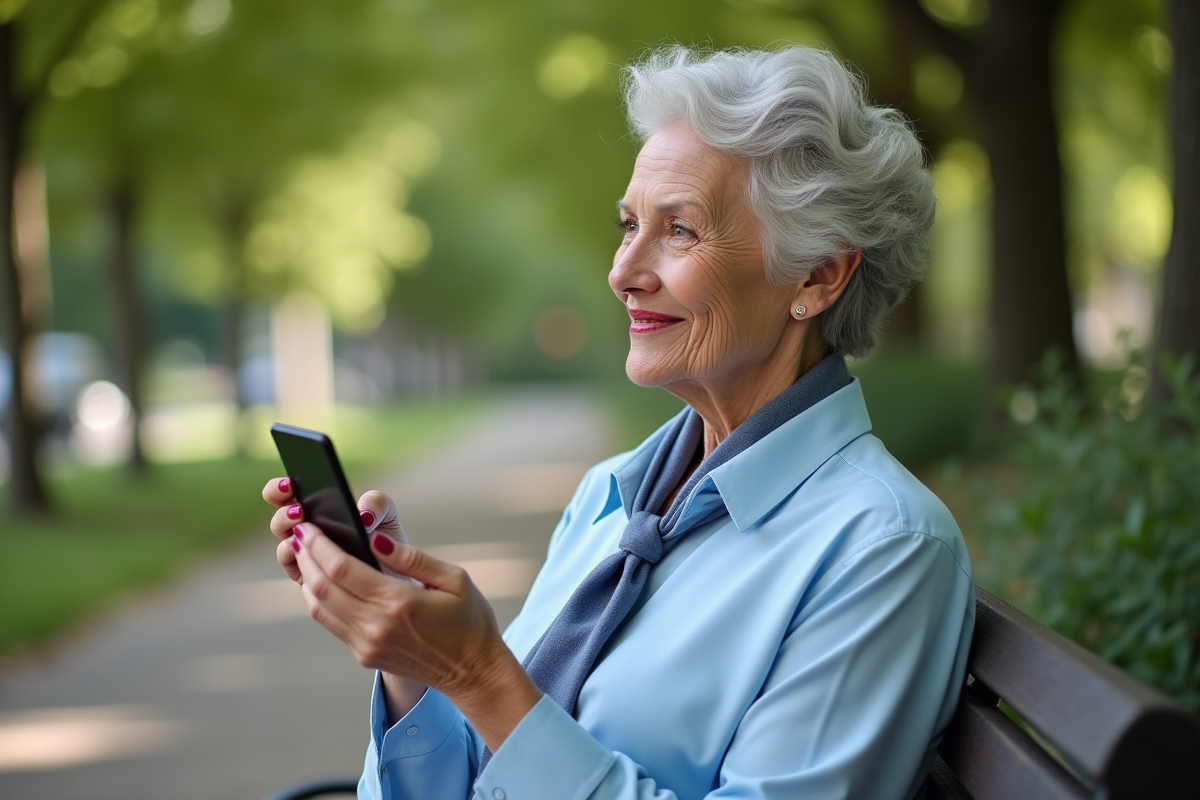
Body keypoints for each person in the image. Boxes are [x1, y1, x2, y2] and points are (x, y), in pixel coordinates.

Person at [263, 45, 974, 800]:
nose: (623, 271)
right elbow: (488, 771)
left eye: (680, 230)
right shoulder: (609, 495)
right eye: (629, 224)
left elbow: (507, 713)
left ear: (820, 273)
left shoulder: (882, 549)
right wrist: (419, 662)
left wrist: (481, 675)